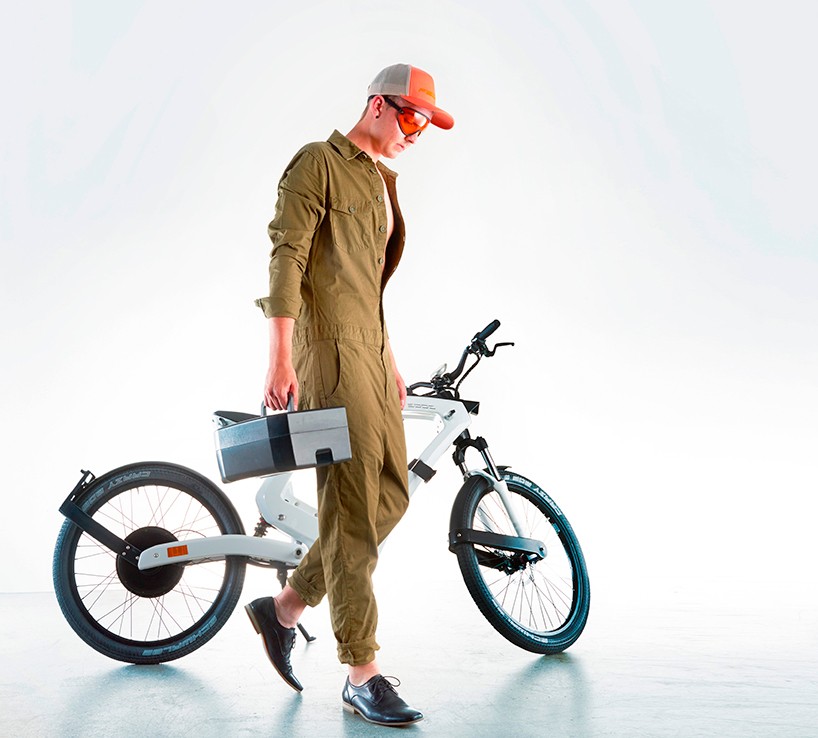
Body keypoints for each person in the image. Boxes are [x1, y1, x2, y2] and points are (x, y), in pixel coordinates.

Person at [246, 63, 454, 727]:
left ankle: (284, 609)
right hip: (330, 356)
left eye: (427, 124)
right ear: (377, 105)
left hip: (372, 356)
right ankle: (361, 672)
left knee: (391, 492)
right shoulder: (319, 163)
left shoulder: (380, 182)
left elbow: (367, 287)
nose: (417, 132)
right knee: (353, 508)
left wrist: (390, 360)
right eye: (412, 116)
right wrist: (281, 356)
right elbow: (287, 258)